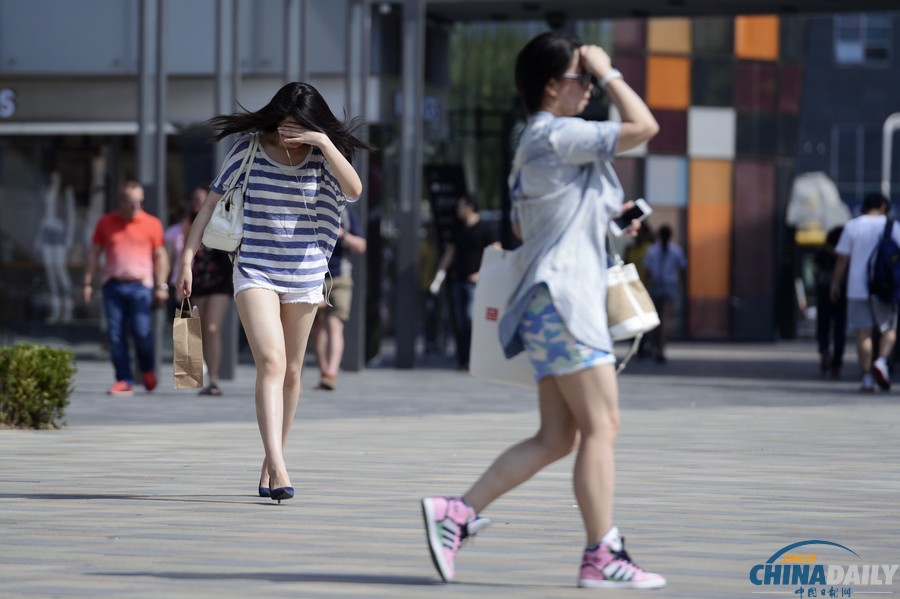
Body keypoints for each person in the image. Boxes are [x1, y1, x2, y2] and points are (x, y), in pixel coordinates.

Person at [420, 32, 663, 589]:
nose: (590, 90)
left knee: (560, 437)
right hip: (565, 304)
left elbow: (537, 228)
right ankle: (603, 556)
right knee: (603, 426)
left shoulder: (539, 139)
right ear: (554, 86)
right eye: (583, 80)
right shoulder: (556, 133)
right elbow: (646, 127)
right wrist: (611, 72)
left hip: (550, 304)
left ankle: (456, 514)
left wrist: (609, 220)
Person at [176, 82, 371, 503]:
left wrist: (322, 140)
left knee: (294, 372)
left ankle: (271, 458)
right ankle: (280, 465)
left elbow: (354, 190)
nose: (287, 133)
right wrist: (186, 260)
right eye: (282, 123)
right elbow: (209, 206)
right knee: (271, 361)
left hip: (305, 273)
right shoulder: (248, 149)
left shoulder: (323, 157)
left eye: (298, 126)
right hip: (255, 269)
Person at [82, 181, 169, 396]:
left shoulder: (152, 224)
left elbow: (161, 257)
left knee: (142, 332)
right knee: (115, 336)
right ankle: (124, 379)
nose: (136, 206)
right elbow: (94, 254)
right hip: (113, 287)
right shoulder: (106, 223)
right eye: (132, 201)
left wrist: (162, 286)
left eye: (140, 201)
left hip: (141, 287)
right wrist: (87, 283)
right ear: (121, 201)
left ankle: (147, 370)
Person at [166, 185, 234, 396]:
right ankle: (198, 374)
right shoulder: (185, 227)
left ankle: (213, 379)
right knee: (197, 330)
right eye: (195, 198)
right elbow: (177, 257)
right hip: (196, 282)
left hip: (219, 282)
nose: (198, 202)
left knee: (213, 328)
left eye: (202, 198)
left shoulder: (222, 219)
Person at [831, 192, 900, 393]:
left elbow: (842, 259)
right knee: (888, 330)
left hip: (857, 288)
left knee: (863, 332)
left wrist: (835, 284)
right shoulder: (893, 226)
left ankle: (867, 377)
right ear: (883, 206)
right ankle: (881, 361)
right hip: (885, 288)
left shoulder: (852, 226)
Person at [429, 194, 499, 370]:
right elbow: (450, 253)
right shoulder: (458, 229)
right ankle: (464, 359)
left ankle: (478, 359)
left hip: (476, 282)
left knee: (471, 319)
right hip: (458, 280)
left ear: (469, 207)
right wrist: (439, 275)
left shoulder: (486, 228)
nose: (457, 210)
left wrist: (482, 274)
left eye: (460, 206)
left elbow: (496, 253)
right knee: (460, 322)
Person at [312, 204, 366, 390]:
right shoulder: (311, 205)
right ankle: (324, 371)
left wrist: (342, 235)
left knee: (334, 326)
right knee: (317, 328)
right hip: (313, 276)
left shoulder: (347, 212)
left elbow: (361, 245)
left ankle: (331, 373)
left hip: (340, 277)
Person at [642, 224, 686, 363]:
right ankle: (657, 346)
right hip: (657, 285)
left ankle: (660, 347)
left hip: (667, 285)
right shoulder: (654, 251)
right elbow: (648, 270)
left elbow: (682, 267)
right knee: (657, 319)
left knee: (663, 319)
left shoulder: (674, 251)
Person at [814, 226, 846, 378]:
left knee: (823, 323)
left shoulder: (821, 252)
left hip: (824, 289)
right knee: (840, 326)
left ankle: (824, 348)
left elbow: (815, 270)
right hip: (843, 289)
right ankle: (836, 362)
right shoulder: (846, 254)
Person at [624, 223, 654, 358]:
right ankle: (635, 346)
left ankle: (644, 345)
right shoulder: (630, 249)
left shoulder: (650, 249)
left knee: (646, 320)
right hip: (630, 288)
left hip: (645, 288)